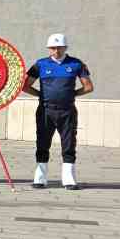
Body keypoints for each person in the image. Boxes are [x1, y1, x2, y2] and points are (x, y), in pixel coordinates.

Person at [23, 32, 93, 190]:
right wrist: (41, 95)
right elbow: (25, 86)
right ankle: (40, 178)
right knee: (42, 143)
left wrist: (71, 94)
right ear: (48, 48)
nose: (56, 51)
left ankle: (69, 180)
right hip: (45, 110)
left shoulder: (76, 64)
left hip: (67, 111)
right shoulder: (40, 64)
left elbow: (88, 87)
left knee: (69, 144)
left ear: (65, 47)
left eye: (59, 47)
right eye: (53, 48)